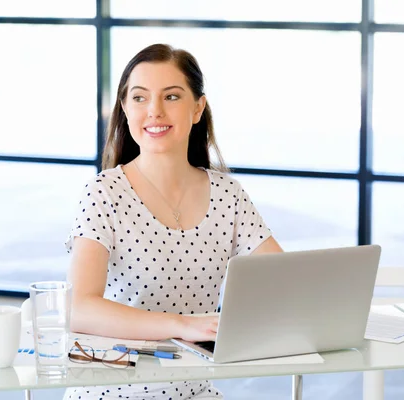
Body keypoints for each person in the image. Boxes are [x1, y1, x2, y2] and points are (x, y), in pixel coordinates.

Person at [64, 43, 282, 400]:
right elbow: (80, 307)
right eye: (139, 98)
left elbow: (284, 280)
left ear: (198, 108)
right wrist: (182, 324)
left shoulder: (228, 194)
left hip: (196, 392)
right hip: (113, 393)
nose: (154, 111)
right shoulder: (103, 192)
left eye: (172, 97)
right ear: (124, 107)